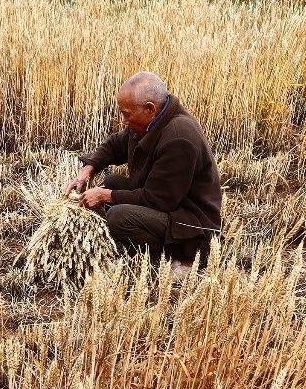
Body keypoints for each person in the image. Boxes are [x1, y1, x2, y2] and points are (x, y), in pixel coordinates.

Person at [63, 72, 222, 273]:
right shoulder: (149, 122)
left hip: (190, 225)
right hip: (171, 206)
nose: (124, 121)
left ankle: (178, 260)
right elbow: (114, 146)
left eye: (126, 114)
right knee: (112, 182)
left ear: (149, 108)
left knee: (119, 217)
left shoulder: (178, 138)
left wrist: (106, 196)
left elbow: (158, 200)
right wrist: (88, 169)